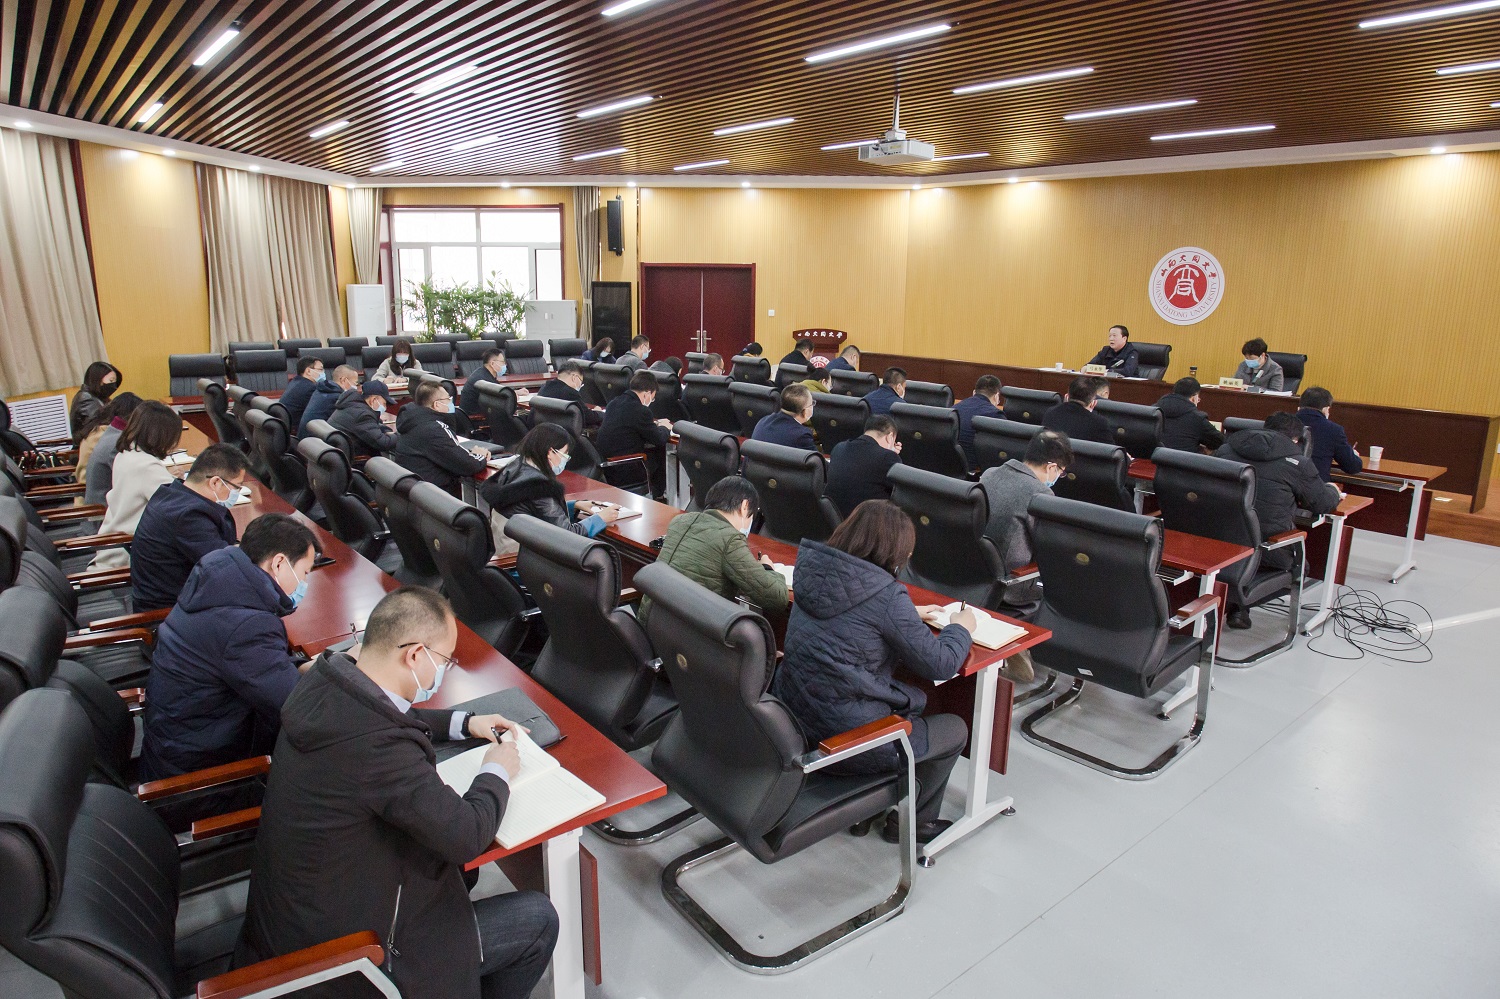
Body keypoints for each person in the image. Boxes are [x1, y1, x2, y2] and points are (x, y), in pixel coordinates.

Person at [234, 587, 559, 999]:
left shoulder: (325, 679)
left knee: (460, 874)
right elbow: (467, 835)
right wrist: (497, 770)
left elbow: (388, 711)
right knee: (538, 919)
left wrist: (464, 722)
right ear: (416, 655)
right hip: (348, 958)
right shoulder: (378, 747)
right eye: (445, 660)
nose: (443, 671)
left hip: (294, 919)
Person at [771, 500, 975, 844]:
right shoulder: (886, 596)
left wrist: (905, 614)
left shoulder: (812, 570)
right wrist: (961, 628)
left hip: (793, 720)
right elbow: (941, 663)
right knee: (954, 729)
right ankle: (914, 823)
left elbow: (851, 614)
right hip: (845, 737)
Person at [140, 513, 319, 780]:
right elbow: (298, 707)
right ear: (279, 563)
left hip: (172, 747)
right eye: (304, 573)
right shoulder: (247, 626)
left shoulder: (218, 579)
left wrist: (307, 666)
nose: (304, 584)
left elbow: (249, 663)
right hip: (204, 778)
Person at [1216, 412, 1342, 628]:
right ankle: (1241, 604)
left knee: (1247, 536)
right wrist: (1333, 491)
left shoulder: (1226, 450)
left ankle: (1238, 607)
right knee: (1300, 566)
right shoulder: (1298, 464)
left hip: (1220, 543)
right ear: (1295, 439)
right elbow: (1321, 504)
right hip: (1269, 552)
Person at [979, 431, 1073, 680]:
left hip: (975, 575)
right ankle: (1013, 638)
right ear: (1051, 467)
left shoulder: (990, 474)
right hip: (1012, 588)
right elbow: (1048, 550)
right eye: (1061, 472)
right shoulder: (1040, 495)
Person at [638, 476, 789, 625]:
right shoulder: (730, 539)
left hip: (650, 623)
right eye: (752, 516)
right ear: (744, 506)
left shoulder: (680, 521)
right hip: (686, 631)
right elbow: (776, 598)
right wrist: (767, 567)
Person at [130, 444, 249, 612]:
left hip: (177, 597)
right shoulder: (189, 516)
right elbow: (225, 567)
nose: (236, 492)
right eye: (236, 486)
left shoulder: (172, 493)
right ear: (215, 482)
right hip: (168, 613)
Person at [480, 424, 621, 554]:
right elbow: (567, 536)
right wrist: (600, 518)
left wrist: (574, 505)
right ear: (550, 452)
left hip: (503, 547)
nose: (566, 459)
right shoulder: (539, 487)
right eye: (565, 454)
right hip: (522, 559)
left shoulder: (516, 465)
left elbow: (533, 508)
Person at [89, 402, 184, 571]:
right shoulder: (146, 466)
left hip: (113, 547)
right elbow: (182, 504)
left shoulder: (127, 453)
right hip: (127, 556)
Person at [394, 381, 491, 493]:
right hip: (433, 495)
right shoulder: (434, 429)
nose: (451, 402)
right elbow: (468, 465)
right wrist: (480, 455)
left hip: (417, 492)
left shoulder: (413, 419)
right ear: (437, 405)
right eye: (448, 399)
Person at [597, 369, 673, 499]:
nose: (651, 401)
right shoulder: (641, 411)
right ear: (647, 394)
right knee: (662, 452)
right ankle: (657, 495)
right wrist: (665, 427)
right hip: (625, 467)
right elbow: (659, 439)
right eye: (653, 398)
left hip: (607, 464)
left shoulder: (614, 403)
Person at [826, 414, 902, 517]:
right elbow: (900, 494)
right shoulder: (888, 457)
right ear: (890, 437)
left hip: (834, 518)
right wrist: (891, 454)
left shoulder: (839, 448)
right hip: (867, 521)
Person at [78, 392, 143, 507]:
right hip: (99, 507)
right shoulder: (109, 438)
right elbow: (131, 477)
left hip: (96, 495)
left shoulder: (105, 429)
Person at [1296, 386, 1363, 481]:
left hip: (1283, 484)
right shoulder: (1334, 430)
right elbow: (1352, 467)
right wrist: (1354, 455)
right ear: (1325, 409)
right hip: (1316, 486)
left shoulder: (1284, 423)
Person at [1155, 377, 1225, 452]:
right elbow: (1220, 441)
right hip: (1183, 459)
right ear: (1194, 398)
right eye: (1198, 398)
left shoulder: (1153, 411)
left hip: (1153, 456)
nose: (1198, 400)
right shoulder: (1197, 418)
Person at [330, 381, 398, 454]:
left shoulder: (352, 404)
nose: (385, 407)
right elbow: (384, 443)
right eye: (384, 404)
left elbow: (372, 426)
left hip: (338, 452)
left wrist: (385, 430)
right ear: (373, 400)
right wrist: (401, 435)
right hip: (355, 457)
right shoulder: (363, 415)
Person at [1042, 376, 1111, 444]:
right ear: (1093, 402)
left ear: (1067, 396)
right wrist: (1090, 413)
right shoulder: (1099, 423)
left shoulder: (1050, 412)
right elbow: (1110, 450)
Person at [535, 360, 603, 427]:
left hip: (543, 429)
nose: (580, 386)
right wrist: (599, 412)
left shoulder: (545, 386)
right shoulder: (570, 393)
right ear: (574, 378)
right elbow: (588, 418)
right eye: (581, 382)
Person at [954, 375, 1002, 470]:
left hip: (948, 467)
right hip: (975, 471)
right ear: (996, 396)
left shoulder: (953, 408)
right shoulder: (996, 415)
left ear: (974, 393)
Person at [297, 364, 359, 437]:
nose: (356, 387)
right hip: (315, 439)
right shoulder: (337, 398)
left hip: (306, 439)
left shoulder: (323, 390)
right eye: (355, 383)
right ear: (343, 380)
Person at [751, 384, 818, 451]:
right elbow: (815, 458)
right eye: (812, 403)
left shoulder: (763, 421)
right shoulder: (801, 436)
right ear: (805, 411)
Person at [70, 360, 123, 434]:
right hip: (91, 440)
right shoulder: (86, 398)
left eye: (115, 382)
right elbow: (102, 424)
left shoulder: (98, 397)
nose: (114, 386)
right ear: (97, 380)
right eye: (111, 380)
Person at [278, 355, 325, 431]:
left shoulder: (296, 381)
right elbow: (319, 411)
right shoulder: (310, 388)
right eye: (321, 369)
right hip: (295, 430)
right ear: (308, 371)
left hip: (285, 426)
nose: (323, 372)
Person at [459, 347, 508, 416]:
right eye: (502, 362)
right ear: (492, 363)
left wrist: (516, 392)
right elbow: (500, 399)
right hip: (475, 418)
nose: (505, 365)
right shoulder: (484, 380)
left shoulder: (483, 373)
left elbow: (500, 393)